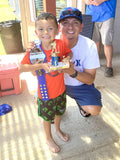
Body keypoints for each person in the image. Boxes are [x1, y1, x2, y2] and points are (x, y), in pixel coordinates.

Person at [27, 7, 102, 118]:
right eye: (65, 23)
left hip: (78, 86)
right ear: (59, 28)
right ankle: (57, 106)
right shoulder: (46, 42)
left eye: (75, 23)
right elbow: (34, 74)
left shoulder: (89, 45)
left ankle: (80, 103)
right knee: (40, 103)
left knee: (94, 110)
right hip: (54, 83)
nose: (70, 27)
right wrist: (32, 57)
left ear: (81, 27)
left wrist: (73, 72)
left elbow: (90, 79)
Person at [19, 12, 73, 153]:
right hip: (45, 94)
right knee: (47, 118)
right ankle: (48, 138)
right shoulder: (35, 50)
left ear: (57, 30)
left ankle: (58, 129)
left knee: (59, 112)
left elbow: (69, 53)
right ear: (36, 32)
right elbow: (21, 68)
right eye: (41, 29)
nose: (46, 32)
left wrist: (66, 60)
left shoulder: (60, 44)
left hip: (60, 90)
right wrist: (40, 66)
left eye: (50, 28)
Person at [83, 0, 117, 77]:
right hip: (91, 14)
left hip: (107, 14)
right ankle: (94, 63)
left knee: (107, 43)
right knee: (94, 42)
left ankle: (109, 66)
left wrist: (101, 0)